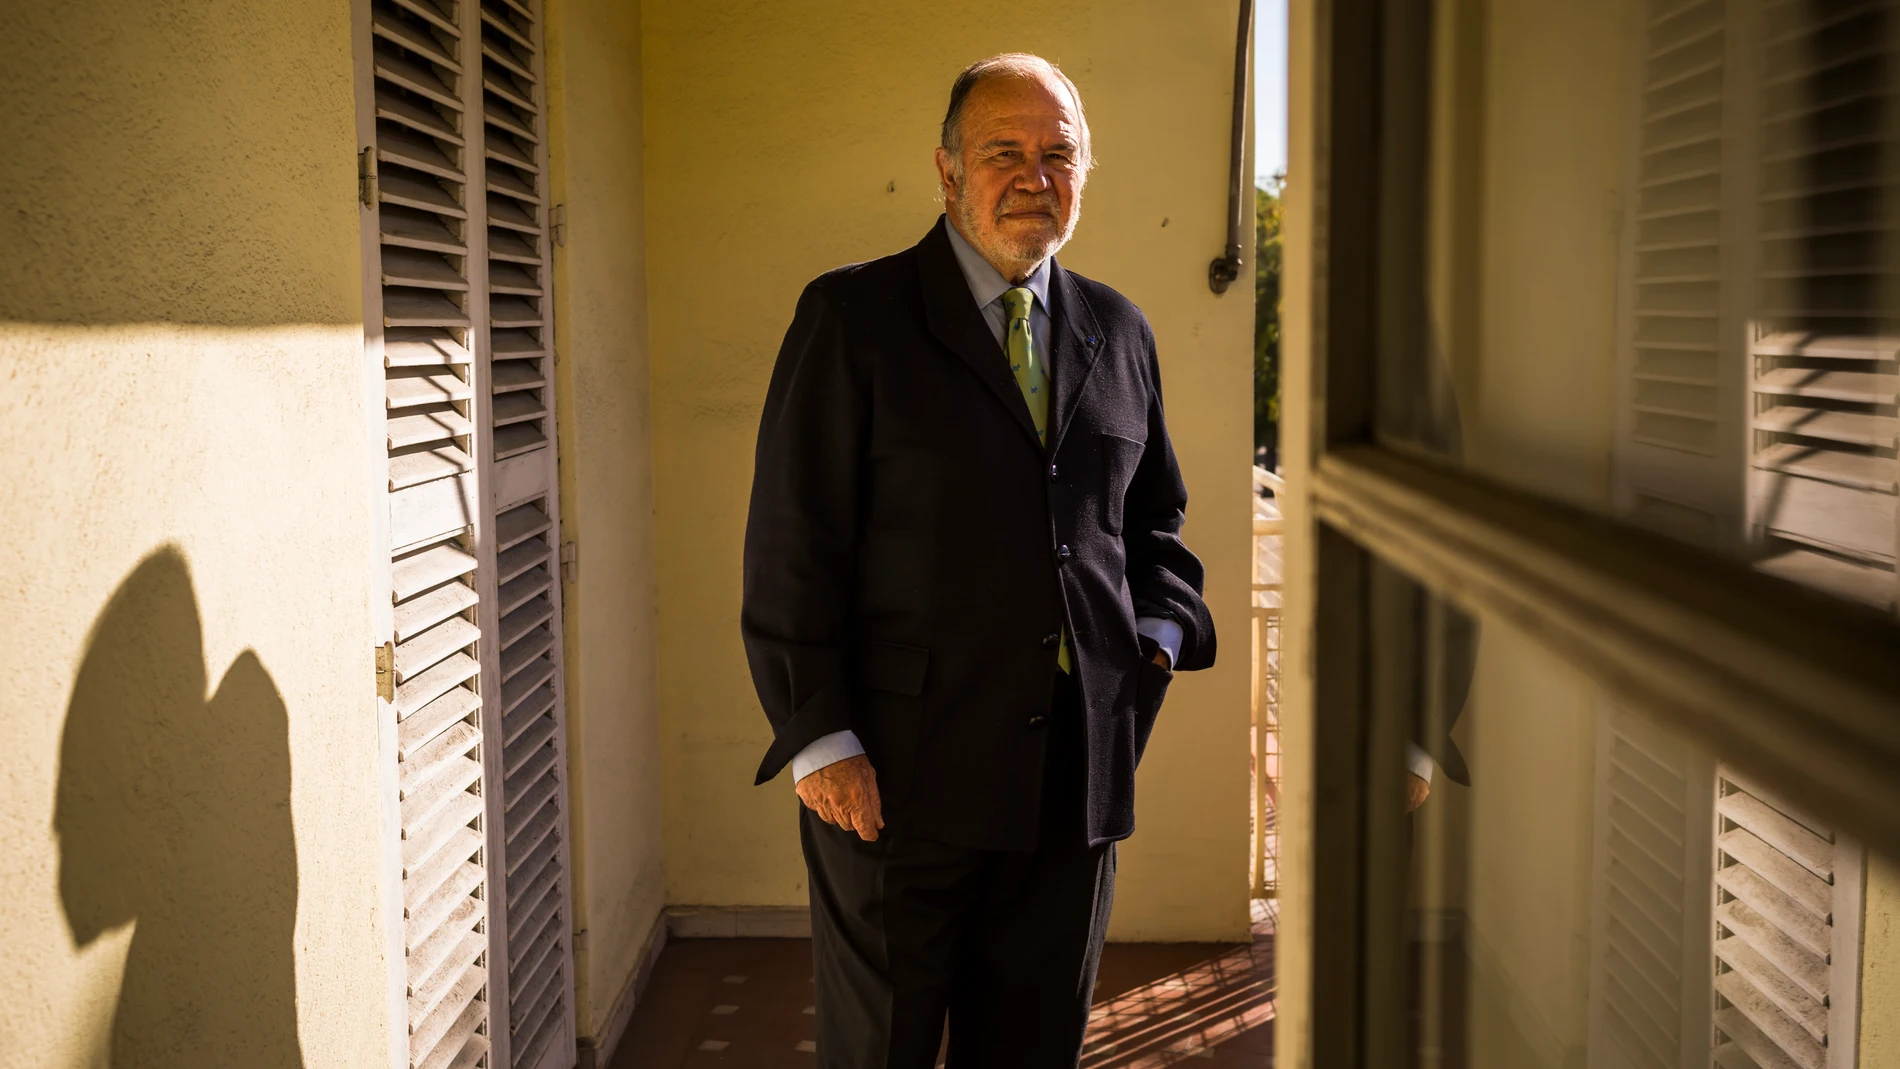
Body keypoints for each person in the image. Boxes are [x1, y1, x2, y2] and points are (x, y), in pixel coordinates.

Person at [740, 52, 1215, 1068]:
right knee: (885, 1049)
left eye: (1059, 153)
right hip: (891, 786)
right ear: (948, 171)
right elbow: (792, 540)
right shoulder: (851, 318)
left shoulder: (1118, 332)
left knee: (1032, 1048)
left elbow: (1154, 526)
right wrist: (818, 738)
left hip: (1072, 784)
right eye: (1005, 150)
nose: (1033, 175)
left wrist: (1153, 650)